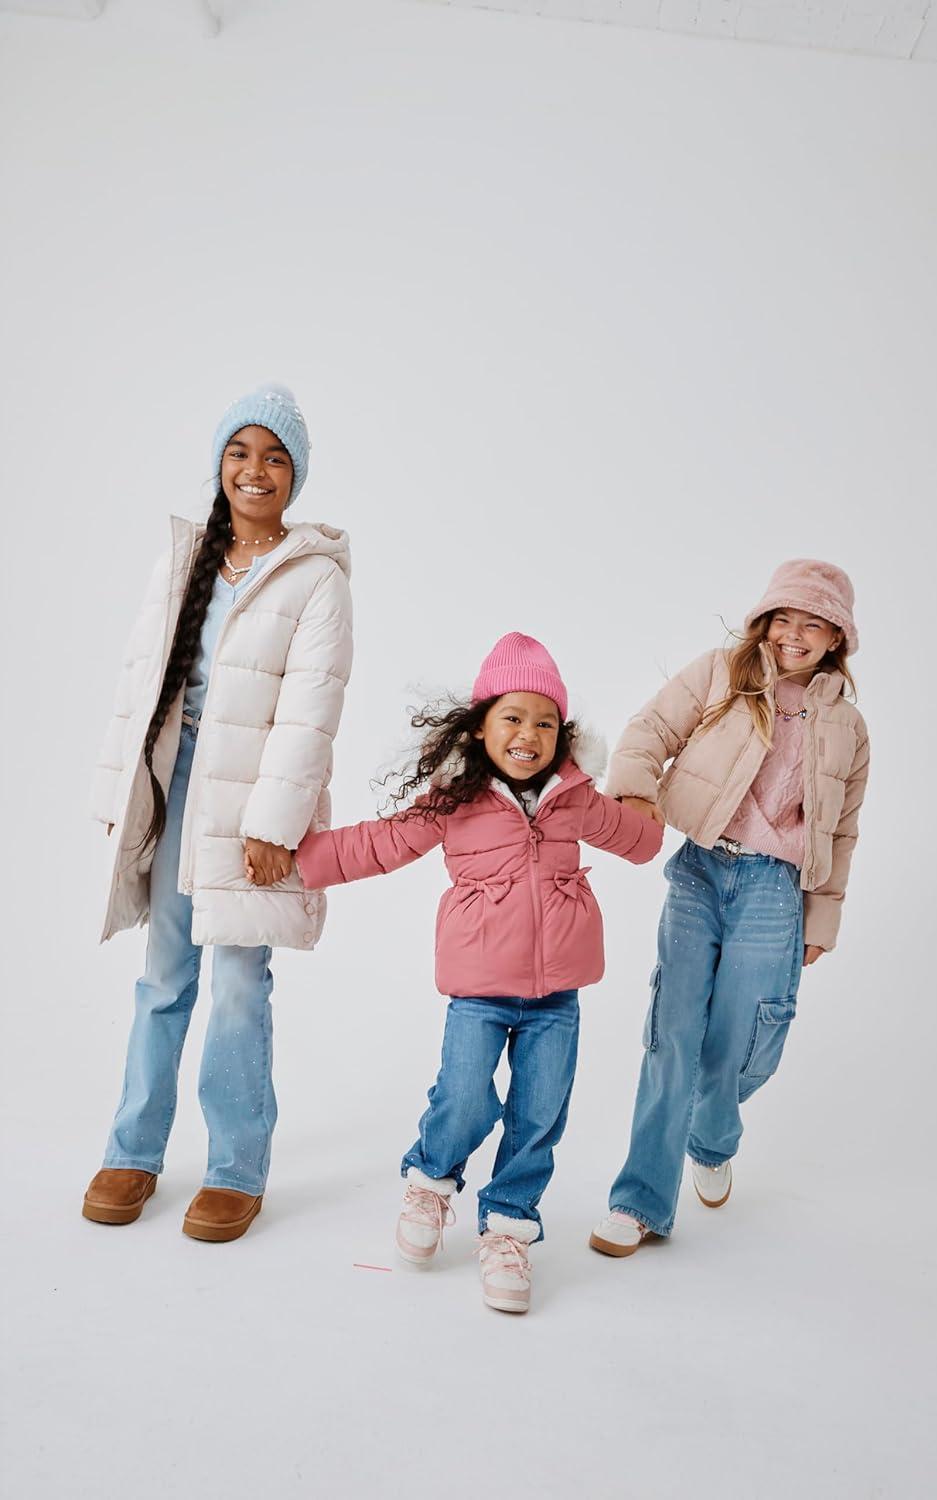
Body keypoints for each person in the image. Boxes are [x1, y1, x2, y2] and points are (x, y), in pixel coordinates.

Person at [296, 632, 663, 1311]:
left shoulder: (576, 797)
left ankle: (508, 1228)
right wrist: (296, 857)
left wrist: (650, 803)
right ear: (481, 726)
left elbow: (639, 843)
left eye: (546, 723)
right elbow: (383, 842)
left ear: (563, 735)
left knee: (539, 1114)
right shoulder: (455, 798)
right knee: (464, 1097)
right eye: (513, 718)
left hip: (558, 994)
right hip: (479, 990)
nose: (529, 735)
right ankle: (430, 1183)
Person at [83, 384, 353, 1242]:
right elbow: (138, 678)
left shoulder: (316, 578)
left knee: (238, 983)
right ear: (219, 464)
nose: (254, 469)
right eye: (239, 452)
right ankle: (133, 1150)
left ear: (296, 474)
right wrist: (118, 792)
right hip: (175, 782)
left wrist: (273, 825)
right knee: (164, 976)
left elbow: (311, 711)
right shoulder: (185, 559)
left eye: (275, 456)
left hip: (251, 798)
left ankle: (236, 1167)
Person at [589, 559, 869, 1257]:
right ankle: (639, 1201)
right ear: (763, 621)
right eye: (782, 618)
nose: (793, 635)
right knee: (672, 1034)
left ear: (837, 636)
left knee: (748, 1040)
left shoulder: (849, 726)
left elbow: (842, 830)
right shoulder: (722, 672)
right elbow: (650, 729)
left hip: (777, 886)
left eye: (812, 624)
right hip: (701, 868)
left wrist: (822, 917)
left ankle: (711, 1136)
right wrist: (634, 793)